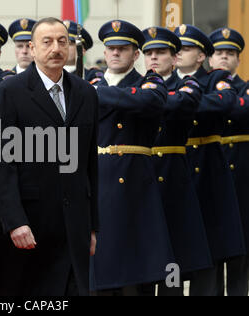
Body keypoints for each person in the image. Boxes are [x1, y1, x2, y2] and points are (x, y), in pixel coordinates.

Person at [0, 17, 99, 296]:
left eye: (62, 41)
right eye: (47, 41)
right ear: (32, 48)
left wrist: (92, 225)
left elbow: (90, 163)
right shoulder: (9, 92)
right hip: (30, 223)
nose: (56, 48)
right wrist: (14, 221)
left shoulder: (86, 93)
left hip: (74, 222)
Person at [89, 20, 174, 296]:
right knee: (100, 265)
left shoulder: (150, 80)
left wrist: (100, 94)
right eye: (111, 48)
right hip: (99, 177)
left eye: (122, 49)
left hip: (134, 180)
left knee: (136, 269)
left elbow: (150, 102)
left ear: (136, 54)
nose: (115, 53)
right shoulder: (92, 82)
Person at [174, 24, 245, 296]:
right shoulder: (163, 81)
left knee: (213, 249)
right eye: (176, 49)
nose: (179, 53)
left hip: (208, 168)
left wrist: (179, 102)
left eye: (187, 48)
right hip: (175, 170)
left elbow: (226, 103)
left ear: (202, 56)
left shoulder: (215, 79)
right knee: (176, 252)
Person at [142, 26, 213, 296]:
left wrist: (138, 99)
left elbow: (178, 104)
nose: (154, 58)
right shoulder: (138, 84)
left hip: (173, 176)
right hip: (143, 177)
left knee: (174, 253)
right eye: (149, 53)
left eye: (161, 53)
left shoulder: (187, 84)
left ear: (174, 59)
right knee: (145, 250)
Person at [210, 27, 249, 296]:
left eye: (230, 53)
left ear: (238, 59)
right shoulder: (199, 85)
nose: (224, 57)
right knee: (211, 250)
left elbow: (238, 110)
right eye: (219, 52)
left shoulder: (245, 88)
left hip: (242, 177)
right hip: (210, 174)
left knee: (242, 252)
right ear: (209, 58)